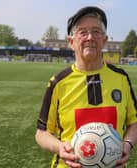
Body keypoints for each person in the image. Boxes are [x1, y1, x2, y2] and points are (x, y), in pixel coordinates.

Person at [35, 6, 137, 168]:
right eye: (82, 32)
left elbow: (134, 122)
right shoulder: (58, 83)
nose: (90, 37)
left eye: (96, 31)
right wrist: (59, 147)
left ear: (104, 40)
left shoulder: (121, 78)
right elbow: (41, 133)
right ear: (71, 42)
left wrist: (127, 144)